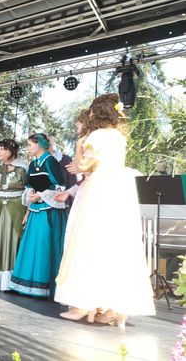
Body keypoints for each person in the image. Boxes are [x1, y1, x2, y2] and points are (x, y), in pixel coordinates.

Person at [55, 94, 155, 329]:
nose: (89, 113)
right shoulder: (119, 137)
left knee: (89, 244)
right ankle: (112, 309)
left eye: (92, 110)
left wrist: (79, 146)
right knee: (114, 246)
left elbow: (83, 167)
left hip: (98, 191)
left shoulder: (96, 136)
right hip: (118, 194)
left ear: (97, 113)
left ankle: (84, 304)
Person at [9, 133, 68, 297]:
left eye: (30, 145)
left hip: (48, 210)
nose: (27, 148)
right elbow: (29, 185)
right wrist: (31, 195)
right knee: (31, 245)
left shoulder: (50, 162)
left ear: (40, 144)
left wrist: (41, 195)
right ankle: (28, 284)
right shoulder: (33, 163)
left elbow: (60, 186)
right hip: (35, 210)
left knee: (43, 245)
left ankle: (44, 286)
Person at [0, 140, 27, 291]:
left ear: (11, 151)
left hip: (16, 208)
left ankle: (13, 281)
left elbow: (29, 190)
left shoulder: (23, 168)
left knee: (13, 239)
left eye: (2, 149)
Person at [48, 135, 77, 211]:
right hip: (46, 205)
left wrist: (71, 204)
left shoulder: (65, 159)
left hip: (64, 203)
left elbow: (72, 182)